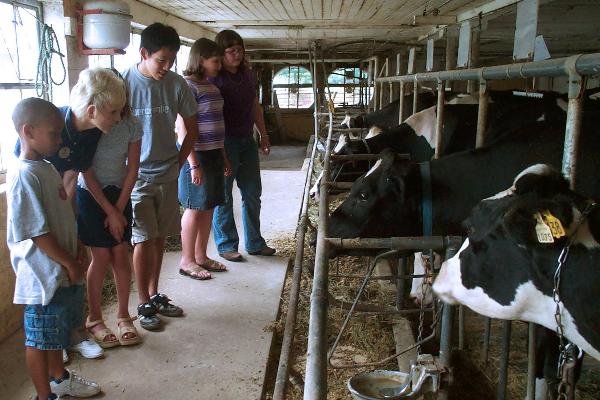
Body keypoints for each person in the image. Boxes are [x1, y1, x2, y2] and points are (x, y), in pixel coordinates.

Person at [14, 67, 130, 360]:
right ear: (92, 110)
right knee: (52, 283)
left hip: (65, 207)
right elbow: (36, 191)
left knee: (73, 277)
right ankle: (56, 344)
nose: (118, 119)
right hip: (41, 218)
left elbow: (73, 176)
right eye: (114, 112)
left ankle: (75, 334)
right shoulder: (50, 128)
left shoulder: (92, 133)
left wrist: (74, 230)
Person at [8, 97, 101, 400]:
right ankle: (43, 395)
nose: (60, 140)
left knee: (53, 337)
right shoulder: (24, 175)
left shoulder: (46, 167)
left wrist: (77, 247)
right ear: (28, 131)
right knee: (38, 339)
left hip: (60, 267)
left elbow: (62, 214)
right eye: (54, 133)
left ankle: (59, 380)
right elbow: (37, 232)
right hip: (42, 275)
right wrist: (70, 263)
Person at [122, 23, 198, 330]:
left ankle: (154, 295)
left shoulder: (177, 84)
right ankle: (142, 302)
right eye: (161, 60)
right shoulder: (123, 83)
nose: (166, 67)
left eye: (171, 60)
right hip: (136, 177)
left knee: (160, 239)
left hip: (167, 172)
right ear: (144, 53)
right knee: (143, 239)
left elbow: (191, 129)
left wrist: (180, 163)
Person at [77, 72, 142, 347]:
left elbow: (133, 167)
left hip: (120, 192)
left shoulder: (132, 124)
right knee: (100, 257)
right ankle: (94, 318)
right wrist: (109, 210)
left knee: (120, 253)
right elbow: (86, 168)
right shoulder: (92, 124)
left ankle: (124, 315)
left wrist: (120, 205)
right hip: (91, 193)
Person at [210, 29, 276, 262]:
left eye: (240, 50)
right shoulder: (214, 77)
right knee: (224, 195)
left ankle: (255, 243)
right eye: (231, 51)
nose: (237, 55)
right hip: (224, 142)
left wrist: (264, 135)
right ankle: (227, 244)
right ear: (221, 53)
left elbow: (254, 106)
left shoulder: (248, 75)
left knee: (252, 192)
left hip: (247, 139)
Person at [176, 38, 231, 280]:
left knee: (208, 206)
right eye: (215, 61)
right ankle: (186, 260)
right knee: (193, 207)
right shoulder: (187, 86)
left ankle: (201, 256)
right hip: (196, 155)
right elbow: (183, 128)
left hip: (214, 152)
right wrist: (193, 163)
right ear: (200, 60)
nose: (219, 65)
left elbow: (217, 126)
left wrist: (224, 156)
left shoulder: (211, 86)